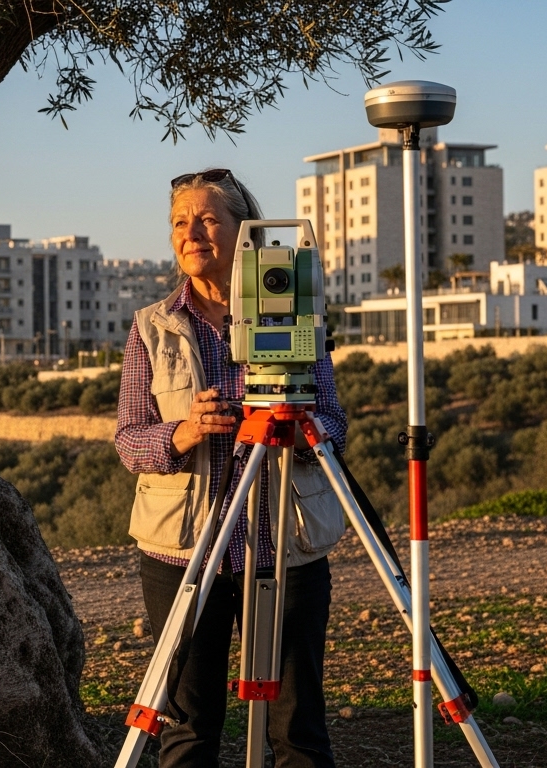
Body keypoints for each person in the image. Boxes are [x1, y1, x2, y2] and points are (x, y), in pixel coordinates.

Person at [115, 168, 350, 767]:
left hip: (284, 548)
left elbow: (335, 423)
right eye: (179, 222)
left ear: (245, 232)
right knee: (187, 729)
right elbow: (129, 442)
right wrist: (185, 431)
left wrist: (299, 426)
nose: (190, 233)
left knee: (298, 730)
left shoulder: (296, 313)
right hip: (184, 554)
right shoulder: (151, 328)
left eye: (207, 219)